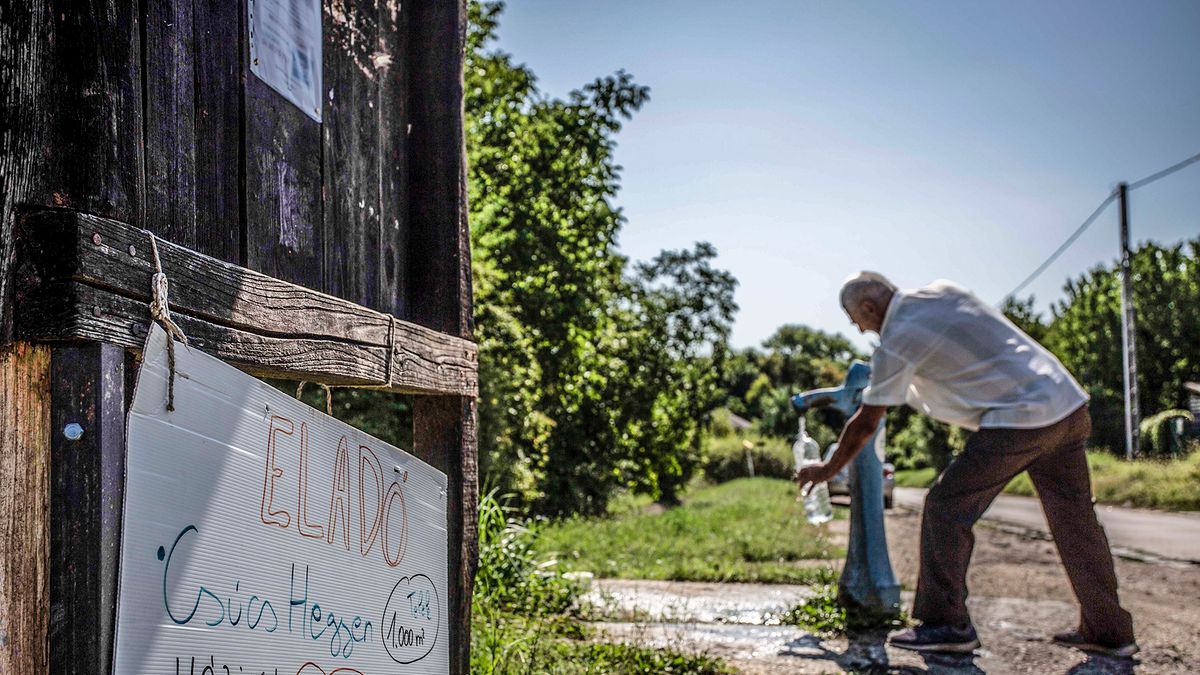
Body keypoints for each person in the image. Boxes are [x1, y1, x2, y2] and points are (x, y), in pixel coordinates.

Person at [795, 272, 1137, 657]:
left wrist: (825, 470)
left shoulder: (897, 338)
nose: (859, 329)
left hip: (1020, 419)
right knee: (1076, 522)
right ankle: (1110, 631)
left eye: (855, 319)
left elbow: (865, 424)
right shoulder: (943, 292)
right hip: (1067, 405)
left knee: (945, 507)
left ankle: (946, 625)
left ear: (870, 308)